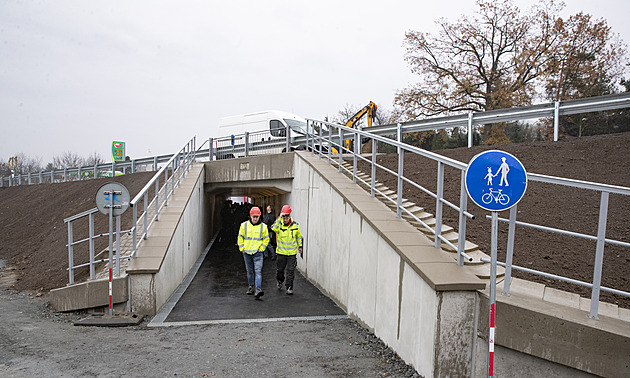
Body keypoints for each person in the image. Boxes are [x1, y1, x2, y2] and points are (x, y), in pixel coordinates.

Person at [237, 206, 269, 299]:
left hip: (257, 253)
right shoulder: (244, 225)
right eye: (253, 216)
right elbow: (240, 237)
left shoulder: (263, 227)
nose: (255, 218)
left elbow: (266, 239)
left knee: (258, 271)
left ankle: (258, 289)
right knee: (250, 271)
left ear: (259, 217)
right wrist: (241, 248)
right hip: (246, 252)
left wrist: (262, 249)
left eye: (257, 217)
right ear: (250, 216)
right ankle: (251, 286)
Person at [271, 205, 303, 295]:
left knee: (290, 271)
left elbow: (298, 237)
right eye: (283, 217)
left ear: (289, 217)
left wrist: (300, 247)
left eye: (286, 217)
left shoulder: (295, 226)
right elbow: (273, 228)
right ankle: (280, 280)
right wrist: (279, 218)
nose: (285, 219)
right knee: (280, 270)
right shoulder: (279, 225)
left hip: (291, 254)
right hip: (281, 253)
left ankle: (289, 287)